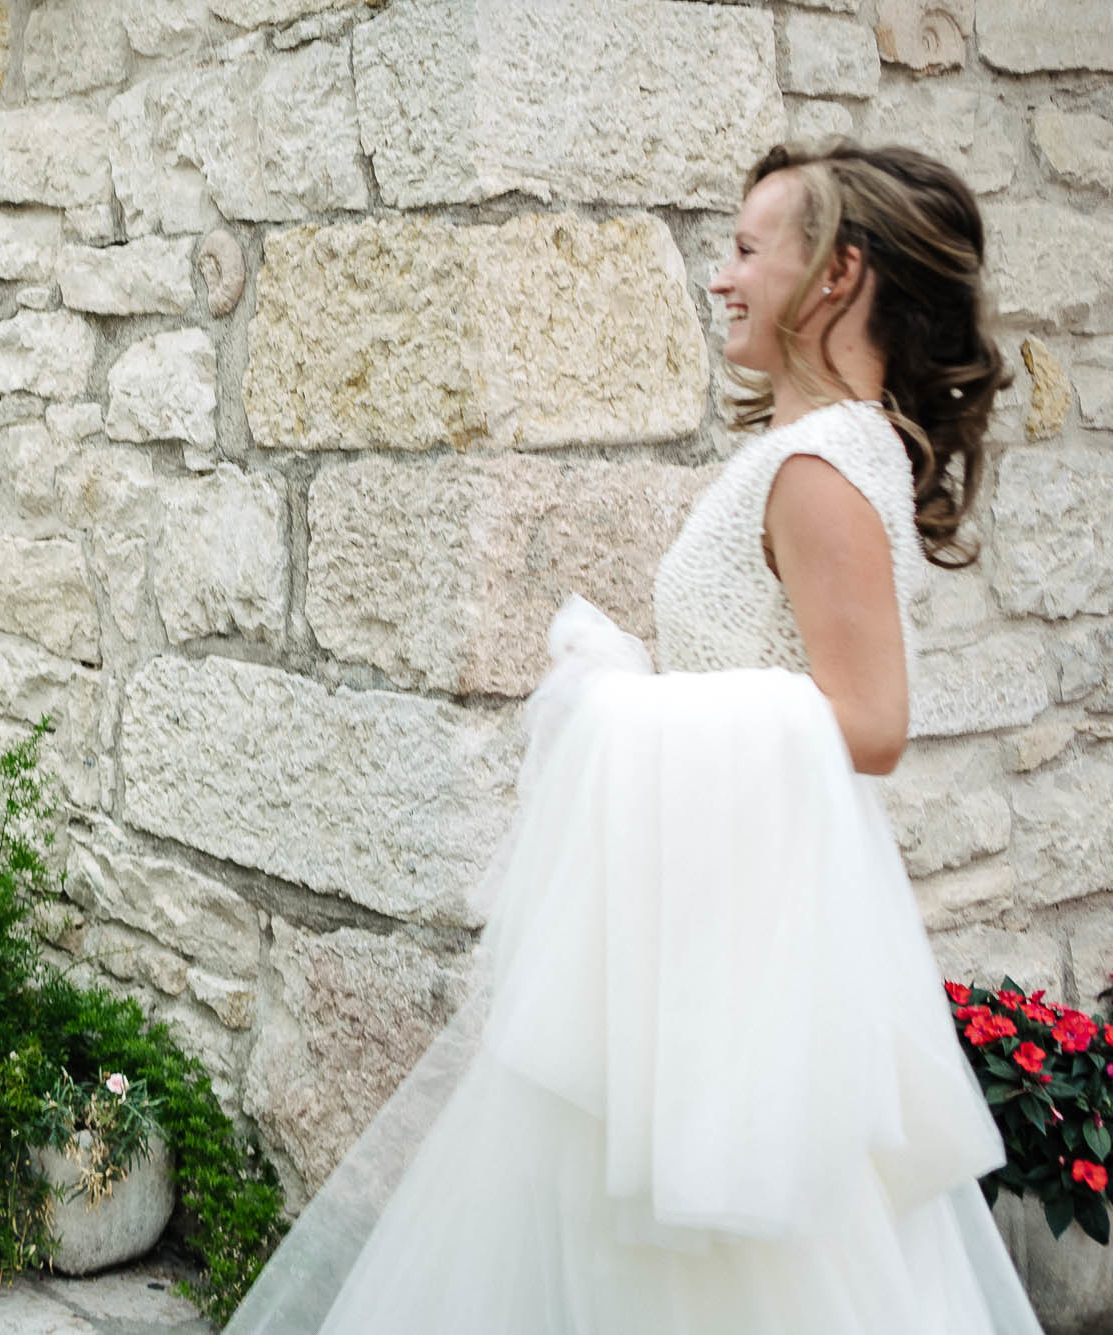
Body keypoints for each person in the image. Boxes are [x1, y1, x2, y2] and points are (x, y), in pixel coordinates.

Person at [224, 142, 1043, 1333]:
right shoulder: (813, 450)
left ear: (832, 277)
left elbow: (866, 724)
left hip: (737, 957)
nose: (719, 277)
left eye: (747, 248)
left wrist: (622, 711)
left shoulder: (817, 466)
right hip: (712, 927)